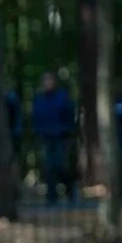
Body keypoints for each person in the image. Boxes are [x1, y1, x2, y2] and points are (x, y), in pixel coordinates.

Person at [31, 71, 77, 205]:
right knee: (49, 167)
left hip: (61, 137)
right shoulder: (39, 100)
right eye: (46, 81)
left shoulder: (62, 97)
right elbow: (36, 119)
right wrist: (38, 132)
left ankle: (70, 191)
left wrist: (67, 131)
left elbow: (69, 116)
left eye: (50, 80)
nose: (48, 83)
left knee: (60, 166)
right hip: (46, 137)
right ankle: (51, 198)